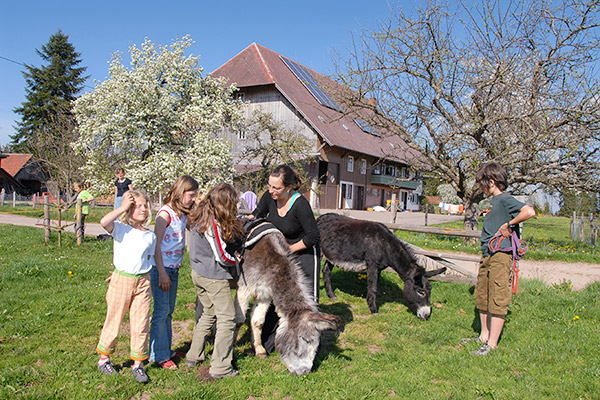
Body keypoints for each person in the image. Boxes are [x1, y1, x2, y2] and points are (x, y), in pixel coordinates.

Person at [462, 162, 536, 356]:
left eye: (482, 184)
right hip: (487, 254)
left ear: (492, 182)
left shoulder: (505, 199)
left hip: (501, 255)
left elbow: (529, 211)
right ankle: (483, 336)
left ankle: (492, 344)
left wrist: (509, 224)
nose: (480, 188)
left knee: (497, 297)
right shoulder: (492, 202)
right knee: (483, 296)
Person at [251, 164, 320, 353]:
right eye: (269, 186)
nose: (271, 191)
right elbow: (257, 216)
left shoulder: (300, 205)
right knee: (274, 295)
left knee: (305, 301)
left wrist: (288, 249)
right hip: (280, 252)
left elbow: (313, 237)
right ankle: (268, 342)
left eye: (277, 188)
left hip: (303, 251)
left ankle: (308, 345)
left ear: (289, 188)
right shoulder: (269, 197)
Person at [185, 183, 243, 379]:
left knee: (208, 313)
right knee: (227, 319)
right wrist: (237, 260)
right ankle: (221, 367)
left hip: (198, 273)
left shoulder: (198, 216)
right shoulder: (212, 223)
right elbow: (220, 255)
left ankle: (194, 355)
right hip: (213, 277)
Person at [96, 190, 156, 383]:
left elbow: (148, 259)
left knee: (141, 323)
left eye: (145, 206)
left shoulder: (150, 235)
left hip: (143, 281)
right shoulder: (121, 228)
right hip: (122, 280)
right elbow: (104, 222)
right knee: (114, 319)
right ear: (128, 209)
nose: (142, 210)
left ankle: (138, 364)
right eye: (137, 206)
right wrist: (121, 207)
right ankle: (104, 359)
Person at [149, 175, 198, 369]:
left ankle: (166, 349)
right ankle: (158, 355)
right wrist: (161, 272)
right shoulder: (165, 215)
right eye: (191, 195)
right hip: (162, 269)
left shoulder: (181, 214)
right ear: (180, 192)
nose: (193, 199)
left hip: (173, 269)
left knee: (168, 311)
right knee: (161, 312)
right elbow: (155, 245)